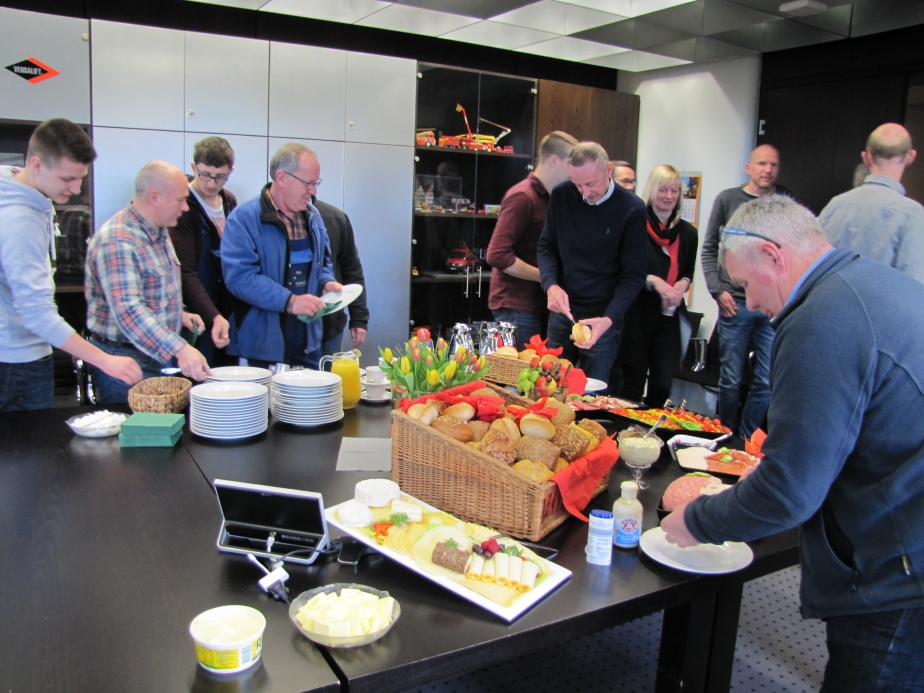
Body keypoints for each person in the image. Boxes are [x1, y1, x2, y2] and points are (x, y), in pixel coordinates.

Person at [662, 194, 924, 692]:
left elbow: (790, 492)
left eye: (744, 285)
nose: (752, 305)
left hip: (901, 573)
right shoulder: (873, 284)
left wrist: (697, 521)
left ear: (773, 255)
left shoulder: (821, 320)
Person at [0, 118, 141, 411]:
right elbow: (37, 315)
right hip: (16, 363)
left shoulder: (23, 188)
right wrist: (104, 360)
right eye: (67, 179)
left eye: (81, 178)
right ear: (37, 165)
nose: (76, 189)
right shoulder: (18, 219)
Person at [85, 161, 211, 404]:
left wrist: (180, 314)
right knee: (133, 438)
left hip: (153, 355)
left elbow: (155, 289)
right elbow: (130, 311)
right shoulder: (119, 240)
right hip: (125, 363)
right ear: (154, 197)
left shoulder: (158, 231)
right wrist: (181, 348)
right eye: (180, 200)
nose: (185, 207)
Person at [221, 143, 341, 369]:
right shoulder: (244, 219)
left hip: (308, 343)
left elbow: (323, 262)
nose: (313, 191)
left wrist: (326, 282)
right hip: (261, 349)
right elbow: (240, 277)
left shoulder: (313, 217)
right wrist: (290, 301)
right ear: (281, 177)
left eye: (316, 183)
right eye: (308, 183)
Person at [700, 144, 791, 438]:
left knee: (765, 381)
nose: (768, 170)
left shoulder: (784, 201)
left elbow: (791, 251)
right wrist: (716, 290)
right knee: (730, 380)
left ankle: (746, 440)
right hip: (734, 304)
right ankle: (724, 435)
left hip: (771, 308)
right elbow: (710, 248)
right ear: (749, 168)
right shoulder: (728, 199)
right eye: (762, 164)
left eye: (773, 165)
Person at [537, 142, 647, 383]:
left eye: (591, 183)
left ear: (608, 170)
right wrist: (551, 285)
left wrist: (608, 320)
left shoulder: (632, 208)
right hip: (563, 310)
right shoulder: (562, 194)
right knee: (550, 384)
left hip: (603, 315)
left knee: (593, 391)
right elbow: (547, 247)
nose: (585, 193)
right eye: (578, 184)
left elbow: (634, 275)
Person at [486, 131, 577, 350]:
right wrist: (545, 278)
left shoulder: (550, 197)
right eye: (571, 164)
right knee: (520, 379)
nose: (575, 172)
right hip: (516, 305)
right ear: (554, 160)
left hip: (532, 304)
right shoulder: (523, 196)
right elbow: (497, 254)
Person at [617, 165, 697, 407]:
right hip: (637, 314)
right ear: (652, 191)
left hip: (669, 317)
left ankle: (650, 436)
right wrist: (654, 282)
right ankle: (625, 435)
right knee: (632, 381)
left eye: (674, 191)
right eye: (663, 190)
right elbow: (623, 268)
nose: (669, 196)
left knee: (662, 383)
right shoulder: (635, 224)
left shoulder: (688, 233)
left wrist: (683, 284)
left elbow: (688, 271)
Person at [819, 123, 924, 283]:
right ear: (910, 157)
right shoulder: (912, 215)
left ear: (866, 158)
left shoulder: (835, 205)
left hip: (830, 306)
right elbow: (915, 287)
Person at [169, 136, 235, 365]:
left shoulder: (229, 202)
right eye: (205, 174)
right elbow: (186, 273)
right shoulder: (183, 207)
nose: (211, 183)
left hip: (226, 309)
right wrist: (212, 316)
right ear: (193, 168)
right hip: (197, 311)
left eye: (220, 177)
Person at [316, 192, 369, 357]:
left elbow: (352, 269)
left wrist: (359, 318)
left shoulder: (335, 218)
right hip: (289, 329)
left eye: (314, 183)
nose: (310, 189)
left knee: (330, 378)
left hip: (330, 325)